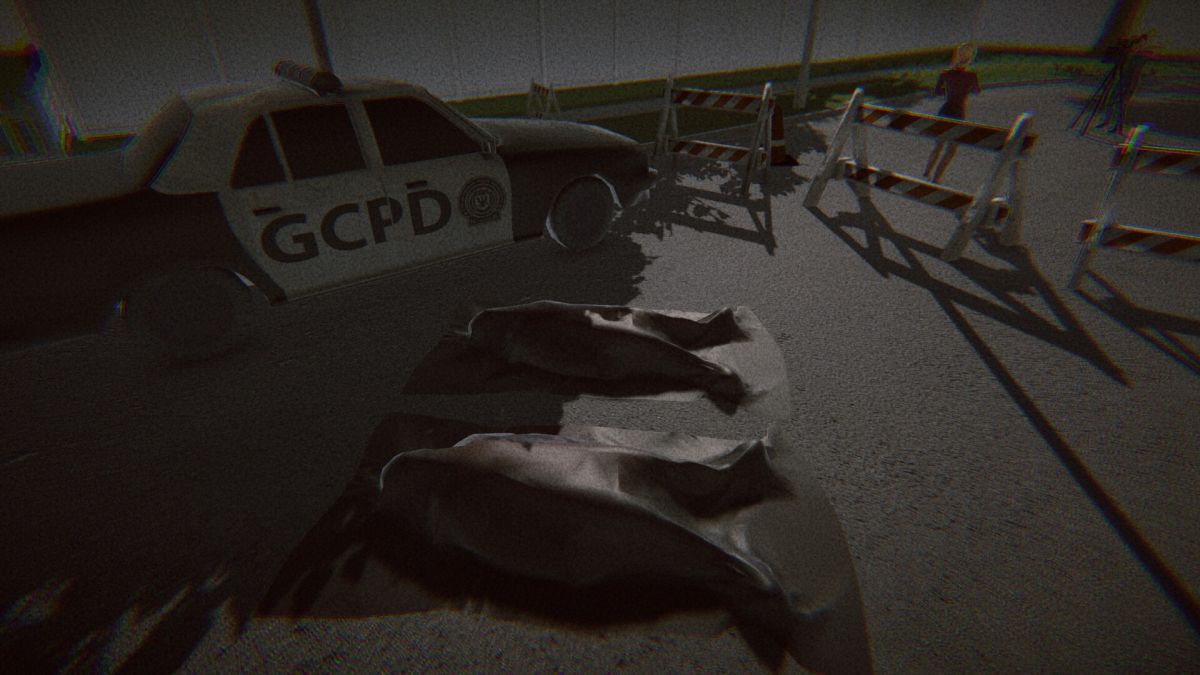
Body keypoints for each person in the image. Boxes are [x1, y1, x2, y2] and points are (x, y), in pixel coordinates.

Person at [923, 43, 981, 182]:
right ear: (969, 59)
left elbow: (937, 91)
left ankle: (927, 171)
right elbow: (976, 91)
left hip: (945, 110)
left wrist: (949, 90)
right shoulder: (971, 76)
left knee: (938, 145)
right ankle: (936, 178)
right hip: (958, 112)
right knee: (951, 150)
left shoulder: (945, 74)